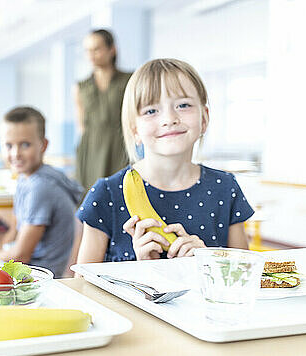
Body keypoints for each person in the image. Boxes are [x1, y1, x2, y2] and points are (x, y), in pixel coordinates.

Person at [76, 58, 253, 263]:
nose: (169, 118)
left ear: (204, 118)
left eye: (183, 105)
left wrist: (209, 260)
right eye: (151, 111)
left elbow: (245, 274)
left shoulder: (225, 188)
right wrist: (141, 268)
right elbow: (82, 288)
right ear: (135, 129)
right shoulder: (107, 194)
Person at [0, 106, 83, 277]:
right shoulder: (25, 178)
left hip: (41, 278)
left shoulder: (41, 187)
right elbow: (15, 230)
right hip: (32, 269)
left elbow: (21, 255)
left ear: (43, 145)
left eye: (25, 145)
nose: (16, 153)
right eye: (8, 145)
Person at [74, 29, 132, 192]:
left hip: (121, 148)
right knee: (91, 198)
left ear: (112, 49)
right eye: (87, 50)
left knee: (122, 193)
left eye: (96, 49)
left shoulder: (130, 80)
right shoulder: (81, 87)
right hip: (90, 149)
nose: (91, 55)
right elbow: (81, 125)